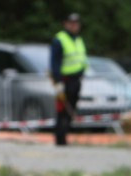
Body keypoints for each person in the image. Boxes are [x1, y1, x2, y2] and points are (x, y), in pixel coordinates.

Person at [50, 12, 87, 146]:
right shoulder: (60, 39)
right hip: (64, 80)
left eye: (76, 23)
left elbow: (81, 59)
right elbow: (55, 63)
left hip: (76, 80)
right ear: (65, 24)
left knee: (70, 110)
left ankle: (64, 136)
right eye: (71, 23)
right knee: (62, 110)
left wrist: (82, 72)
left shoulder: (78, 39)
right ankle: (60, 139)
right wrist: (58, 82)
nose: (74, 26)